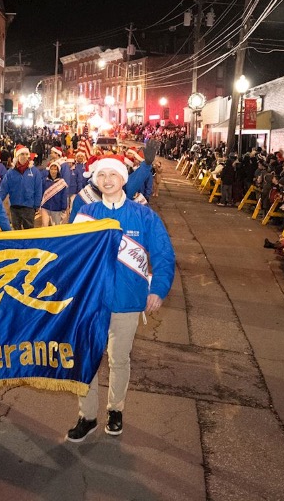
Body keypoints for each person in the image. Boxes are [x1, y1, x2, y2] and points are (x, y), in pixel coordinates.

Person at [64, 155, 175, 442]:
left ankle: (115, 410)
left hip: (127, 301)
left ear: (124, 180)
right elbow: (70, 255)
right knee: (87, 359)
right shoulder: (87, 212)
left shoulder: (143, 215)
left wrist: (158, 289)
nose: (107, 180)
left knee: (118, 360)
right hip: (91, 302)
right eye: (102, 176)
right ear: (96, 180)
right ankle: (86, 416)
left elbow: (163, 255)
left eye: (113, 175)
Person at [0, 145, 43, 230]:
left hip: (29, 207)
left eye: (26, 154)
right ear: (17, 156)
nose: (24, 156)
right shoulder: (10, 172)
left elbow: (38, 189)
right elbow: (3, 189)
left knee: (28, 231)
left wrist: (37, 204)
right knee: (16, 231)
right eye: (22, 154)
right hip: (15, 207)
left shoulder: (34, 171)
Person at [40, 160, 68, 226]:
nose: (53, 171)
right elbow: (41, 193)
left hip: (57, 208)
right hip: (45, 207)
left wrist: (64, 208)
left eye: (55, 169)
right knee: (44, 225)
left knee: (56, 227)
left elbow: (64, 196)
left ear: (58, 171)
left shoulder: (62, 182)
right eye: (51, 169)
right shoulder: (44, 181)